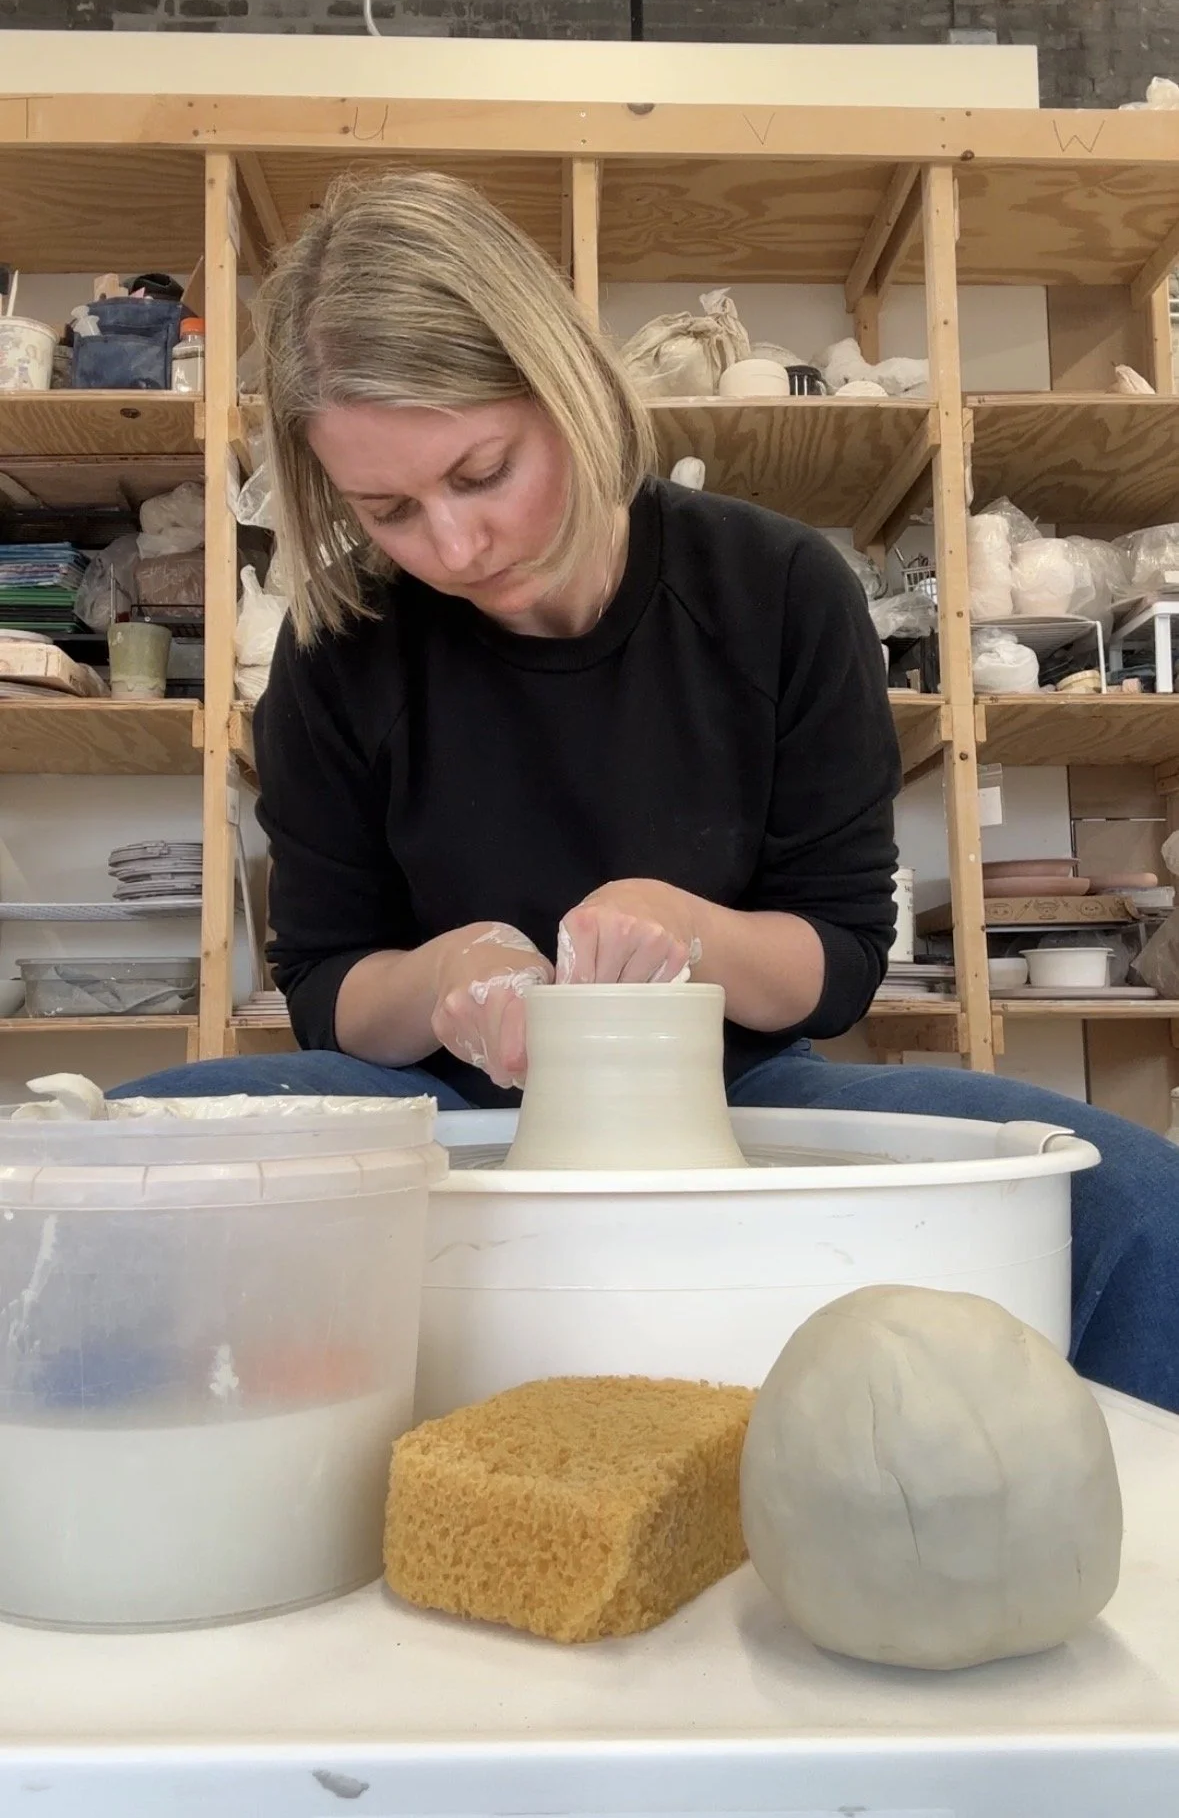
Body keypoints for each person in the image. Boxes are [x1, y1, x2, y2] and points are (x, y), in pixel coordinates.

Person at [114, 171, 1179, 1413]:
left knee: (1120, 1194)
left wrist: (691, 931)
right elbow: (324, 987)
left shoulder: (777, 590)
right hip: (437, 1102)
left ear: (564, 389)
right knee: (128, 1154)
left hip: (726, 1090)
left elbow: (837, 958)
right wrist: (445, 975)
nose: (454, 548)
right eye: (388, 510)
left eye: (483, 471)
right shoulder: (340, 647)